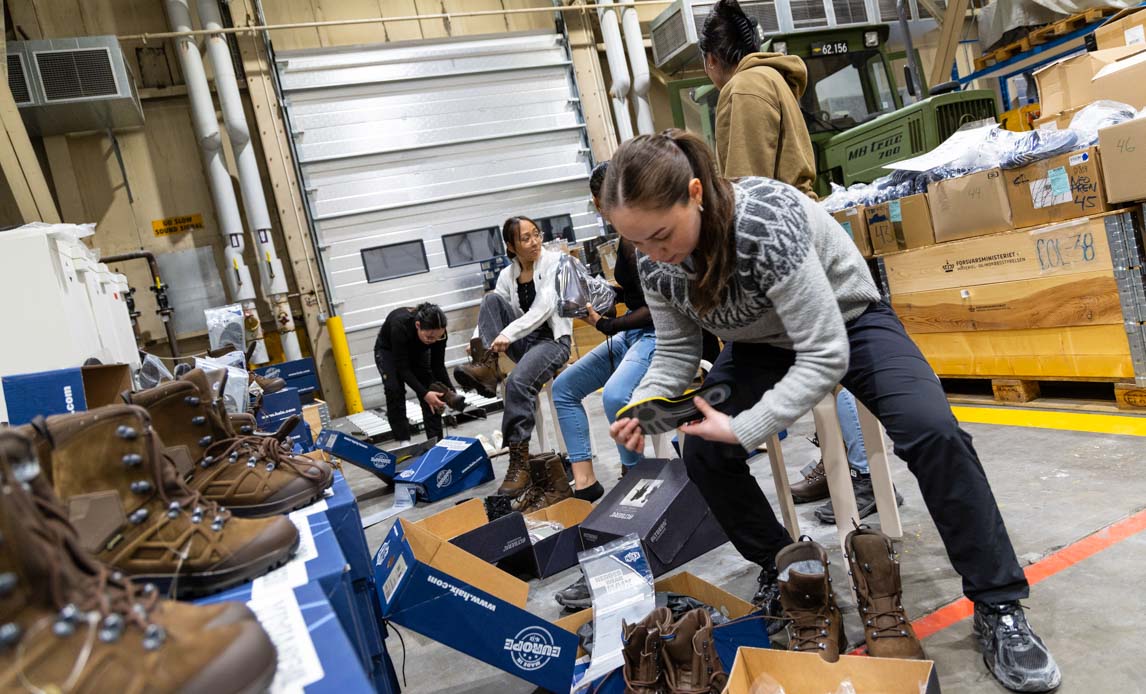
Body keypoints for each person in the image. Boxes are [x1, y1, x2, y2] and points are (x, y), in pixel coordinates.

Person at [602, 131, 1061, 693]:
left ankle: (999, 603)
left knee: (932, 430)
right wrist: (646, 402)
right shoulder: (655, 261)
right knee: (701, 450)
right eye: (637, 243)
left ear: (695, 193)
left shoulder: (764, 221)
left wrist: (747, 426)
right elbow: (677, 349)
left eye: (660, 236)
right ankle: (787, 569)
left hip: (848, 322)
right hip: (760, 345)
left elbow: (824, 351)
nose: (653, 254)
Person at [699, 0, 897, 528]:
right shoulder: (775, 79)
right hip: (803, 221)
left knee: (822, 358)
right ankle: (847, 464)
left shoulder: (742, 89)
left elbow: (746, 186)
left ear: (712, 59)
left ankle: (861, 472)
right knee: (823, 358)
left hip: (781, 237)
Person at [552, 163, 656, 503]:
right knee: (564, 388)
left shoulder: (642, 236)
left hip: (657, 336)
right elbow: (638, 293)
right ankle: (585, 481)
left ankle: (636, 475)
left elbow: (658, 307)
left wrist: (607, 324)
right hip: (633, 335)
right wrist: (604, 296)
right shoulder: (626, 236)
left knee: (614, 396)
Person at [455, 216, 572, 497]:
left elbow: (545, 307)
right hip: (524, 342)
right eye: (525, 238)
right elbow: (492, 312)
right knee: (490, 299)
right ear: (511, 246)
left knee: (518, 382)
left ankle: (519, 463)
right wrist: (477, 342)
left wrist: (507, 334)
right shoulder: (508, 275)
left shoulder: (555, 262)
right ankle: (488, 367)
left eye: (536, 234)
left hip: (552, 340)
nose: (534, 242)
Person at [373, 303, 463, 445]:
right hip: (389, 351)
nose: (433, 341)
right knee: (395, 389)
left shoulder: (438, 334)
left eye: (437, 337)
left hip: (417, 351)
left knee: (432, 389)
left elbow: (438, 366)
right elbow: (402, 368)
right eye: (429, 337)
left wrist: (451, 392)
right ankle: (404, 440)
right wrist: (425, 394)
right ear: (418, 325)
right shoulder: (400, 325)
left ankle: (436, 442)